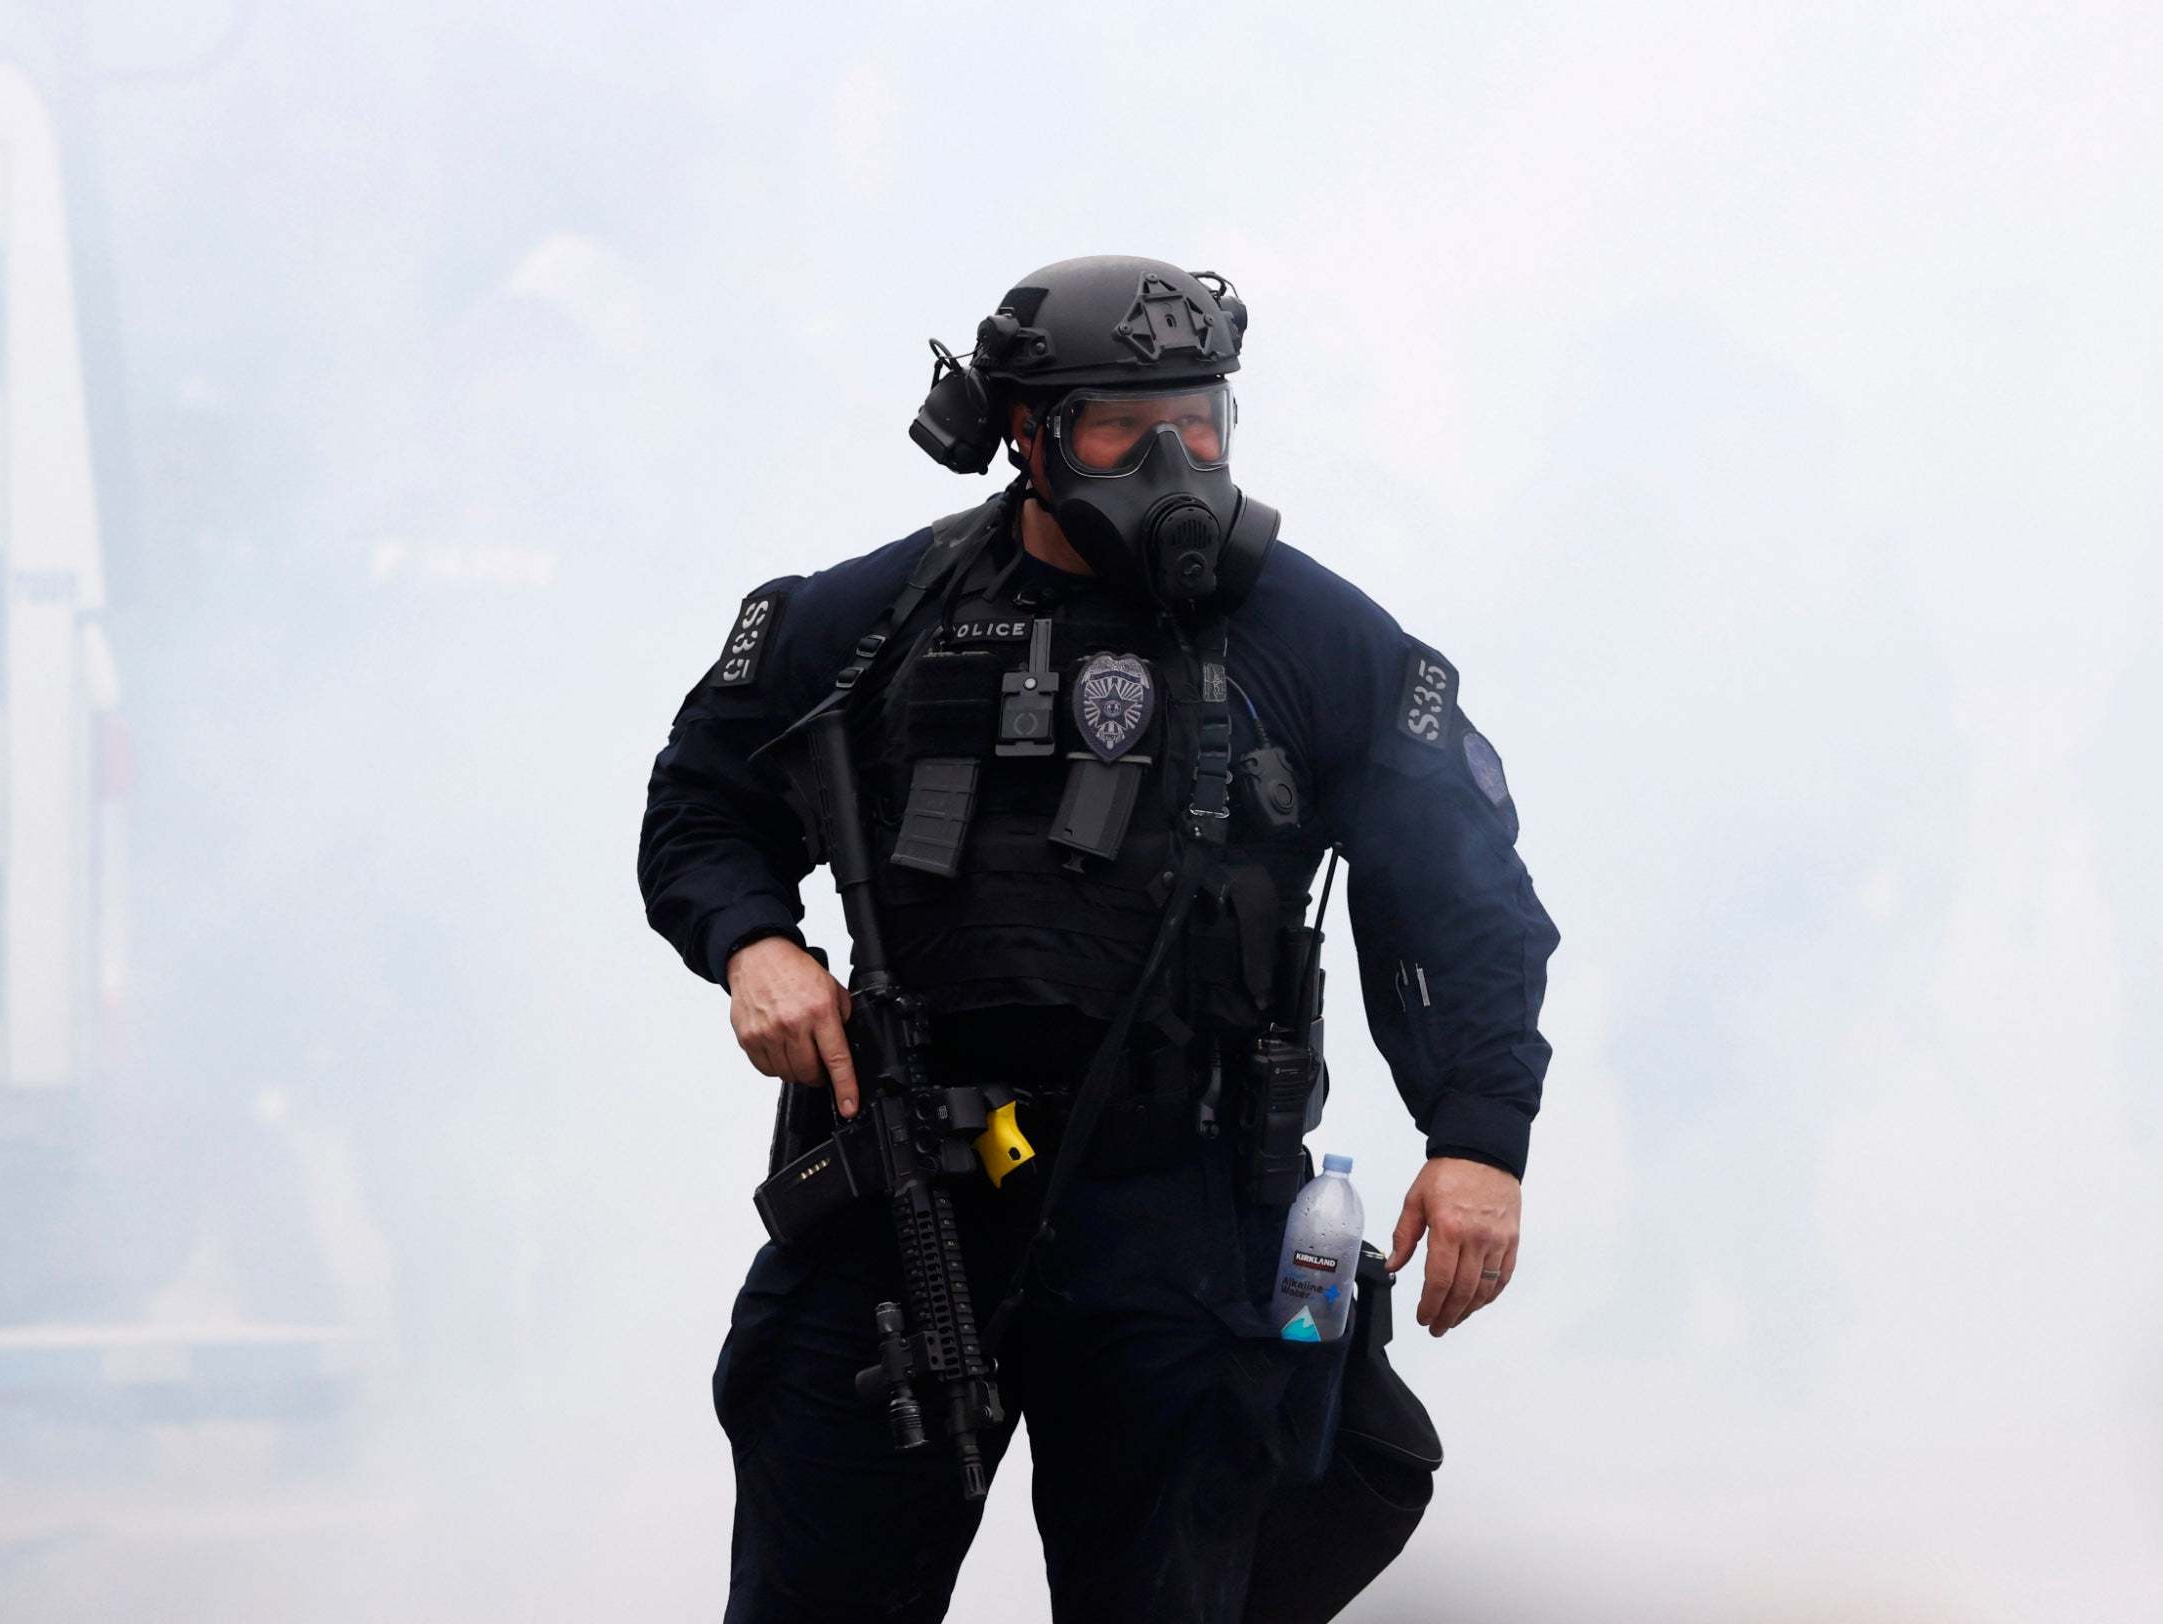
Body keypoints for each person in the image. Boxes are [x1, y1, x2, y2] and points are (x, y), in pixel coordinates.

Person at [638, 256, 1560, 1623]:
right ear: (1027, 432)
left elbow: (1466, 898)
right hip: (905, 1198)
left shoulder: (1314, 638)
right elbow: (700, 801)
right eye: (1127, 427)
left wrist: (1478, 1137)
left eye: (1198, 419)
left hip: (1181, 1213)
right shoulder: (867, 620)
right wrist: (752, 943)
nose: (1174, 460)